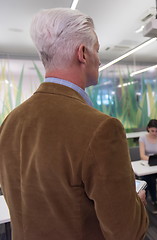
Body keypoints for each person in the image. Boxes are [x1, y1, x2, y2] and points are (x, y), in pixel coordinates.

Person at [0, 8, 148, 240]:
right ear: (83, 53)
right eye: (97, 50)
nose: (99, 59)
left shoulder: (10, 122)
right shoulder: (101, 128)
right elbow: (126, 233)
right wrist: (137, 204)